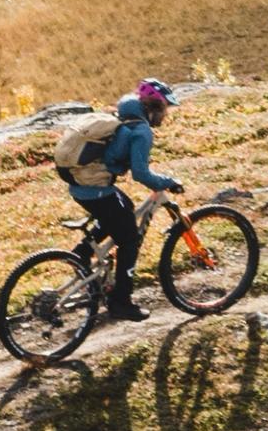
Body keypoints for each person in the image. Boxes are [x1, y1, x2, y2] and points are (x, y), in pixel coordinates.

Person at [56, 81, 185, 313]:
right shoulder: (141, 131)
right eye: (165, 110)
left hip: (78, 184)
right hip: (94, 188)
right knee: (129, 239)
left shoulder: (122, 116)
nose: (165, 116)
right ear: (155, 107)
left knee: (122, 209)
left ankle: (81, 255)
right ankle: (121, 302)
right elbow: (141, 174)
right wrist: (168, 182)